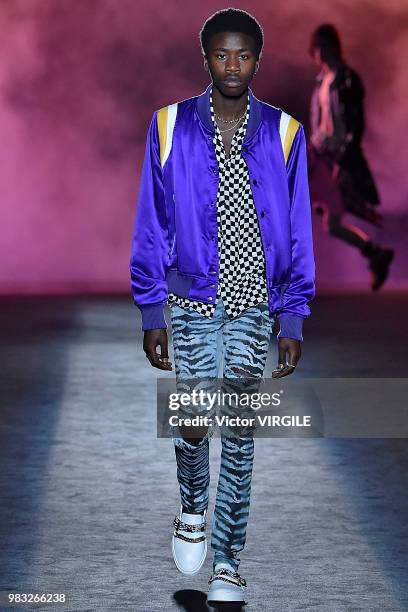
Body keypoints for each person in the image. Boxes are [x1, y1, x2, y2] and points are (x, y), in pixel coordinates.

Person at [130, 8, 315, 604]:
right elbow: (152, 223)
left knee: (238, 431)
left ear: (259, 59)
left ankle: (229, 561)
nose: (232, 65)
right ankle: (191, 510)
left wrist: (292, 317)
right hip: (190, 302)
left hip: (254, 305)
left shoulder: (285, 133)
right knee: (191, 422)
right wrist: (151, 310)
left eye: (243, 54)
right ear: (204, 57)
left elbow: (296, 229)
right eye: (220, 54)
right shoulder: (168, 126)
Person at [308, 23, 394, 290]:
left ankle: (375, 254)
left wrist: (344, 160)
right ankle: (375, 254)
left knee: (328, 221)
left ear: (333, 46)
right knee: (297, 208)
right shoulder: (323, 81)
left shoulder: (346, 80)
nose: (318, 52)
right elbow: (321, 123)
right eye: (316, 46)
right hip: (321, 156)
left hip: (335, 158)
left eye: (322, 45)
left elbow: (355, 125)